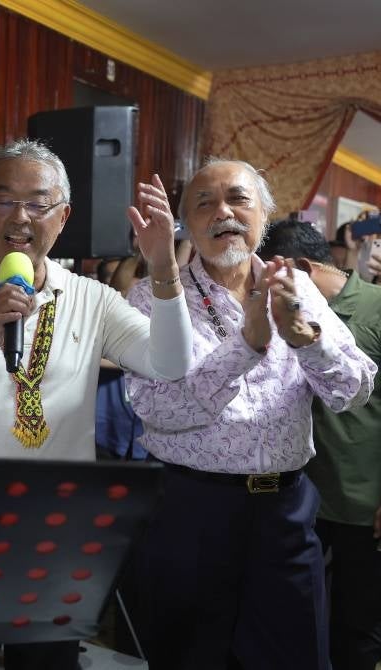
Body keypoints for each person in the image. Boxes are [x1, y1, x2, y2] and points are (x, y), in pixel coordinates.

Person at [0, 138, 193, 669]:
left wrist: (164, 269)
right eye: (3, 199)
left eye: (38, 202)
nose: (20, 216)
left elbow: (169, 363)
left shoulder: (92, 299)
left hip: (56, 535)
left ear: (64, 217)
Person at [124, 159, 376, 670]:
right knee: (188, 657)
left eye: (238, 199)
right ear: (186, 223)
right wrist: (248, 345)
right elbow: (157, 409)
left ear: (264, 214)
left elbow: (354, 388)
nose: (224, 213)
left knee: (298, 658)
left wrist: (310, 343)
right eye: (204, 203)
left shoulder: (298, 288)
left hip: (286, 513)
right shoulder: (152, 298)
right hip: (191, 510)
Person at [257, 219, 381, 670]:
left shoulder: (374, 309)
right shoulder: (277, 313)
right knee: (296, 620)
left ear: (302, 268)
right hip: (300, 496)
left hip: (360, 504)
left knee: (356, 625)